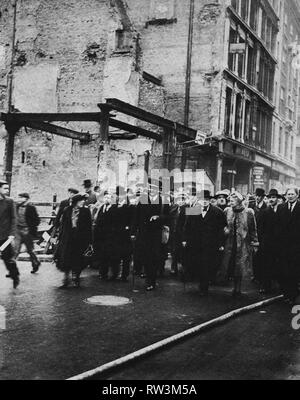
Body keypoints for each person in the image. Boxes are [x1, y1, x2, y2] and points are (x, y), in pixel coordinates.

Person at [183, 190, 226, 296]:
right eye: (203, 199)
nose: (205, 202)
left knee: (207, 266)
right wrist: (184, 239)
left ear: (210, 200)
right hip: (196, 243)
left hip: (211, 244)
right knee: (197, 264)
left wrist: (221, 244)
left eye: (207, 199)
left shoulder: (218, 212)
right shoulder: (193, 210)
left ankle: (204, 287)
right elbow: (186, 226)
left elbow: (222, 229)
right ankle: (200, 283)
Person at [221, 192, 259, 297]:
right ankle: (232, 285)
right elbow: (222, 224)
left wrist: (255, 242)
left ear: (238, 201)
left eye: (232, 201)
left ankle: (238, 288)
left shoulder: (248, 212)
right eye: (229, 201)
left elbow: (253, 229)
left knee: (240, 266)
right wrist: (225, 230)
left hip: (243, 243)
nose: (230, 203)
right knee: (230, 264)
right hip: (229, 242)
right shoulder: (227, 211)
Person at [54, 193, 92, 288]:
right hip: (67, 238)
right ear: (75, 202)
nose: (83, 202)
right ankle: (66, 279)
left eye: (83, 200)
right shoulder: (67, 210)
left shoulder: (86, 211)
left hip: (80, 238)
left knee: (78, 259)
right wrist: (60, 237)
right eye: (81, 200)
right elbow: (63, 225)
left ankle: (76, 278)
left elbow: (88, 227)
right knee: (65, 258)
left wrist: (90, 240)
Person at [277, 187, 300, 305]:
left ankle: (292, 295)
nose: (290, 196)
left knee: (294, 271)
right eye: (288, 194)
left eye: (292, 194)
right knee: (284, 270)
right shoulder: (281, 208)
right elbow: (277, 226)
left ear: (297, 195)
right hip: (283, 245)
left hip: (296, 245)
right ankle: (286, 294)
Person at [258, 189, 282, 294]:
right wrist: (261, 242)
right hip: (267, 243)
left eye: (273, 197)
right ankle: (265, 286)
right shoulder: (264, 212)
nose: (271, 200)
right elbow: (260, 229)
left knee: (278, 264)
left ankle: (280, 286)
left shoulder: (282, 210)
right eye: (270, 198)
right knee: (266, 265)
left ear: (277, 199)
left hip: (279, 243)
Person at [93, 191, 120, 281]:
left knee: (113, 256)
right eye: (105, 198)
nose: (106, 199)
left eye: (109, 198)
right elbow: (97, 222)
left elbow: (116, 223)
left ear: (112, 199)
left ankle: (114, 274)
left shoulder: (115, 209)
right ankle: (103, 273)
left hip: (112, 237)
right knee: (103, 256)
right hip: (102, 237)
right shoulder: (101, 208)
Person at [15, 192, 41, 274]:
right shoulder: (17, 206)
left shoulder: (31, 208)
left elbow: (37, 220)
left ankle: (35, 263)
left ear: (25, 198)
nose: (18, 199)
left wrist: (31, 228)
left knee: (30, 250)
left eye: (20, 197)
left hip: (27, 231)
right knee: (15, 250)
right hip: (18, 230)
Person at [0, 180, 20, 288]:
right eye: (5, 188)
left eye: (8, 188)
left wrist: (12, 233)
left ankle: (15, 275)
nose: (7, 190)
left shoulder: (9, 201)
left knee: (7, 258)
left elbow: (14, 218)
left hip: (5, 235)